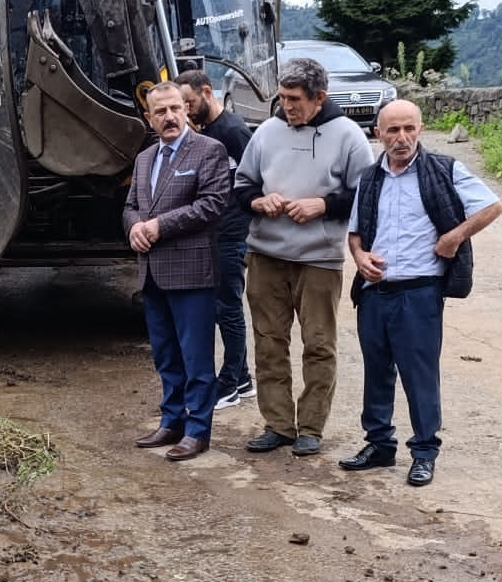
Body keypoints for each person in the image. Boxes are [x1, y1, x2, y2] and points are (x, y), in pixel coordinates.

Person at [332, 99, 502, 487]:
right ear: (379, 134)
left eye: (409, 128)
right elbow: (355, 232)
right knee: (376, 370)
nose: (402, 138)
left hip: (420, 293)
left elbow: (493, 206)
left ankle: (424, 451)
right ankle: (379, 445)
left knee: (419, 374)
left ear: (421, 129)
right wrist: (359, 257)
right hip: (375, 292)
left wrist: (454, 237)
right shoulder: (370, 177)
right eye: (392, 130)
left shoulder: (443, 170)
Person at [234, 57, 375, 457]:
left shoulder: (348, 136)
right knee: (268, 341)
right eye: (282, 97)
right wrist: (260, 201)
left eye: (294, 99)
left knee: (318, 344)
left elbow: (366, 195)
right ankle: (277, 424)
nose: (286, 107)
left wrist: (323, 206)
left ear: (320, 98)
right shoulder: (267, 131)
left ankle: (311, 427)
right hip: (265, 254)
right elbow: (241, 186)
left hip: (319, 259)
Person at [125, 81, 233, 461]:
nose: (169, 117)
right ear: (149, 118)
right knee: (166, 355)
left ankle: (198, 429)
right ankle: (172, 421)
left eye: (175, 109)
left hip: (191, 272)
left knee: (196, 357)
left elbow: (212, 205)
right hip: (153, 272)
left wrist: (158, 226)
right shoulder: (144, 159)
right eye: (160, 112)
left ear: (186, 110)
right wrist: (135, 226)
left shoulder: (209, 150)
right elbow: (131, 205)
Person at [176, 68, 255, 411]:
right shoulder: (206, 130)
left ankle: (229, 383)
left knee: (229, 308)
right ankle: (245, 378)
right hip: (214, 232)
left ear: (207, 92)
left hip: (231, 234)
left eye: (189, 102)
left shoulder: (234, 131)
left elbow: (254, 177)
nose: (187, 110)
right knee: (222, 308)